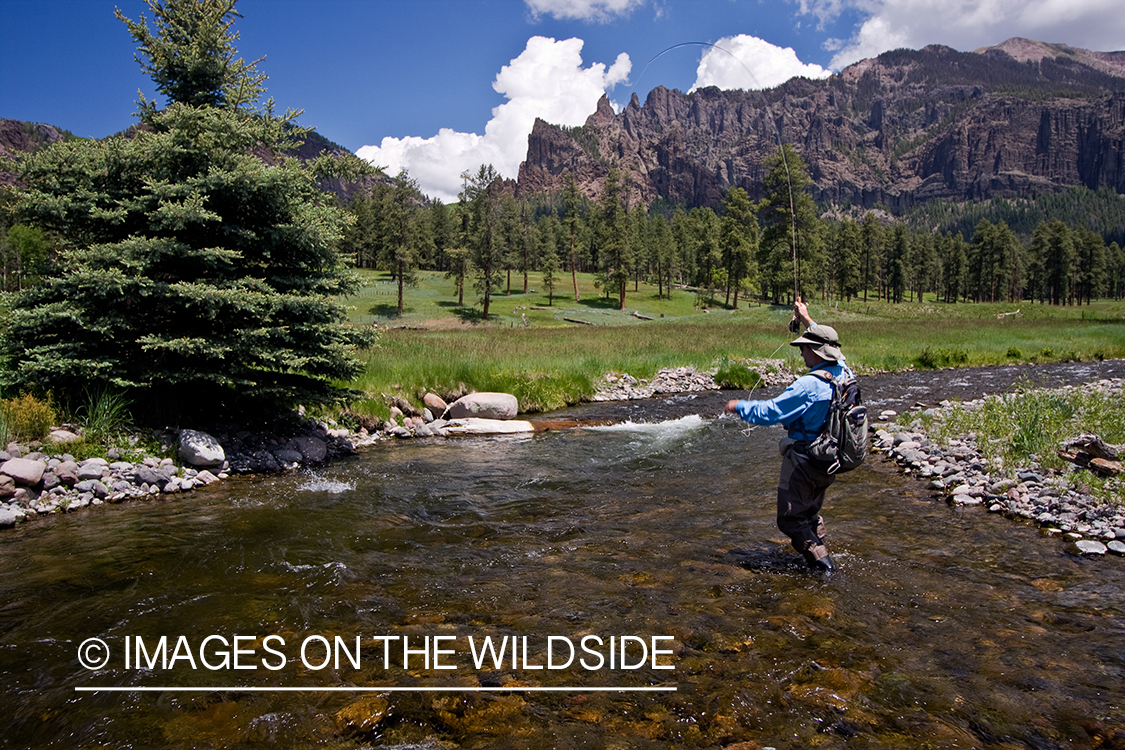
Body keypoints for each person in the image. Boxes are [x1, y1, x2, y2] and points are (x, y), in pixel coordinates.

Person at [724, 301, 853, 572]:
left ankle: (823, 567)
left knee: (791, 521)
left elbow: (772, 413)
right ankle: (819, 548)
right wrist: (806, 318)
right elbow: (824, 338)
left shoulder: (808, 386)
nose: (801, 351)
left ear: (816, 351)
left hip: (805, 461)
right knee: (808, 512)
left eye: (804, 346)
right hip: (830, 458)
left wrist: (739, 407)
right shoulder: (843, 371)